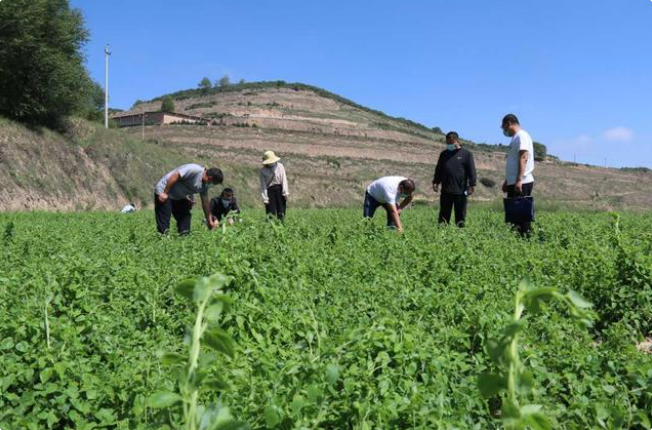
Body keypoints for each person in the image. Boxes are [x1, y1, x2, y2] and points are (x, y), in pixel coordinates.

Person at [154, 164, 224, 235]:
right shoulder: (194, 170)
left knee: (185, 216)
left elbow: (205, 203)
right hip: (164, 191)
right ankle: (163, 238)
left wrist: (209, 222)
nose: (212, 185)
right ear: (210, 178)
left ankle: (184, 238)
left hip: (178, 197)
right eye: (213, 183)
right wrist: (165, 193)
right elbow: (176, 175)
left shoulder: (205, 185)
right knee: (164, 220)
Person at [432, 131, 477, 227]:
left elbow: (471, 170)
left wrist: (472, 184)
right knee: (443, 216)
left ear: (456, 141)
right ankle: (442, 234)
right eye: (447, 143)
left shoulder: (466, 154)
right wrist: (436, 182)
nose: (449, 145)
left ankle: (460, 234)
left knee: (460, 216)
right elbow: (439, 169)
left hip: (460, 191)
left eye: (450, 143)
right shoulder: (444, 154)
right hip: (446, 191)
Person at [501, 114, 535, 236]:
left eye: (503, 127)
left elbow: (523, 157)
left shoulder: (522, 136)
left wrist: (519, 180)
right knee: (513, 218)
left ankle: (526, 242)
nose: (503, 131)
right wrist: (507, 181)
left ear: (509, 123)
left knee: (522, 218)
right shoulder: (515, 138)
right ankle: (517, 243)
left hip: (522, 182)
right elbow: (513, 162)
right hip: (514, 182)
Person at [259, 151, 289, 221]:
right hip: (270, 190)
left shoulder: (280, 166)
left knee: (281, 210)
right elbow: (263, 185)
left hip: (279, 189)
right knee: (270, 211)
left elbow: (283, 179)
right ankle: (270, 226)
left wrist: (285, 192)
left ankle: (281, 225)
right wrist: (265, 198)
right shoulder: (263, 171)